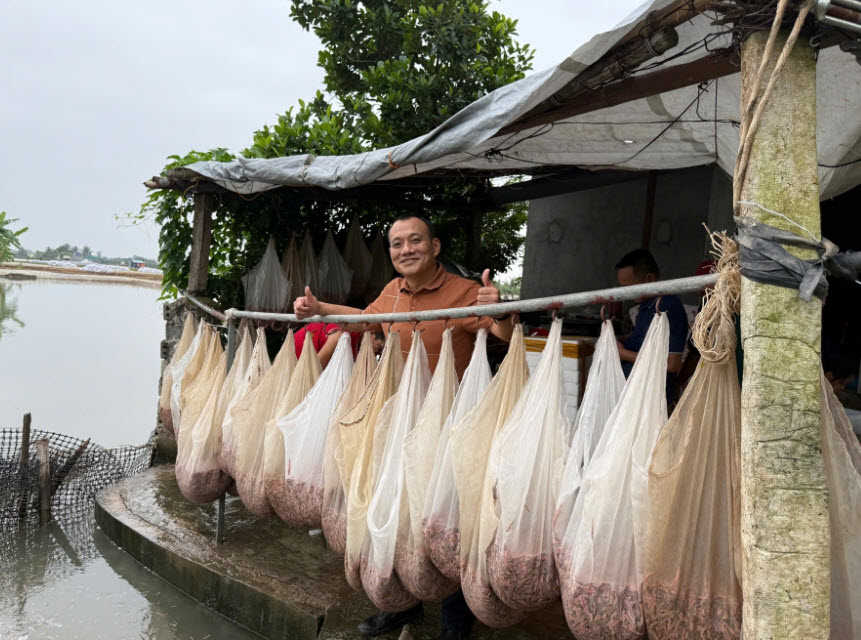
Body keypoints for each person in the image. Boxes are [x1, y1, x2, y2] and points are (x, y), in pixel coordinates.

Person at [294, 214, 514, 640]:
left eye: (416, 241)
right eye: (397, 244)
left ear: (435, 247)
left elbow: (501, 330)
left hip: (451, 427)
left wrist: (499, 308)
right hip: (399, 424)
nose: (406, 249)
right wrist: (319, 309)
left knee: (446, 521)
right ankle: (402, 605)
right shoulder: (393, 292)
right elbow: (365, 318)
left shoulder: (464, 293)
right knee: (397, 513)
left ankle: (454, 626)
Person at [614, 249, 689, 405]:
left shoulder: (666, 306)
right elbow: (645, 341)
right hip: (633, 397)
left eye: (628, 287)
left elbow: (671, 364)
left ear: (649, 279)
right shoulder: (645, 305)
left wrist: (623, 353)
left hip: (649, 404)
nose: (625, 293)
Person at [293, 323, 384, 367]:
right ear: (371, 333)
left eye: (379, 354)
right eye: (379, 347)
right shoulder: (347, 333)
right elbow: (315, 369)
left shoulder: (358, 350)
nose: (376, 354)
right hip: (299, 352)